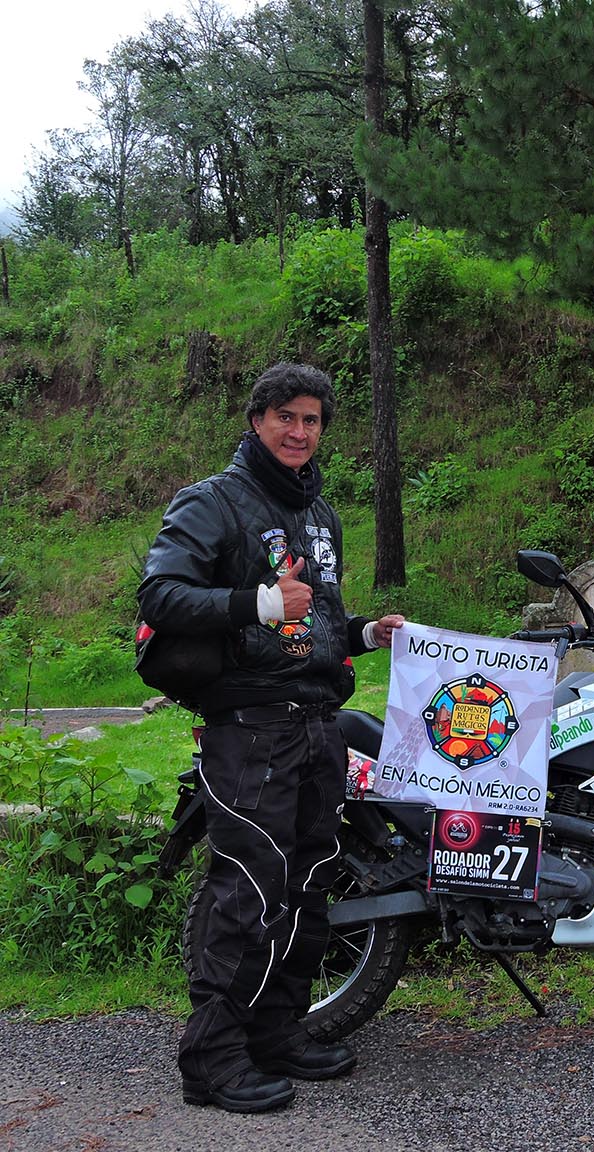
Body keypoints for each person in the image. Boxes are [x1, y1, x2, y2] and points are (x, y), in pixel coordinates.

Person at [138, 362, 405, 1115]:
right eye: (285, 417)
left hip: (319, 724)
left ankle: (277, 1031)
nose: (299, 432)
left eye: (312, 420)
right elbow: (160, 594)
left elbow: (314, 624)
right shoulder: (212, 502)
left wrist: (364, 633)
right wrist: (254, 599)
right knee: (247, 893)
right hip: (249, 731)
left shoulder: (320, 515)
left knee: (310, 888)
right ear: (257, 420)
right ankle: (211, 1058)